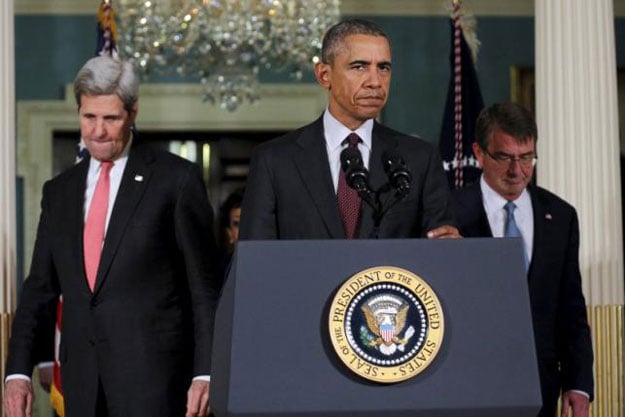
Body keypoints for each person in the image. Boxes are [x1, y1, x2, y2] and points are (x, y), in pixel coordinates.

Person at [4, 56, 220, 417]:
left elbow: (204, 289)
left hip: (157, 382)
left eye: (111, 118)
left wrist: (207, 372)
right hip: (82, 382)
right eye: (89, 117)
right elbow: (40, 288)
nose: (98, 131)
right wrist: (17, 373)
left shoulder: (175, 180)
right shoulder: (58, 192)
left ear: (133, 114)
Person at [239, 18, 458, 240]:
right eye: (359, 66)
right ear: (324, 75)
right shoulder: (274, 160)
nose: (375, 81)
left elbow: (439, 253)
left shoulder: (420, 158)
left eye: (383, 68)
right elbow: (256, 260)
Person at [451, 102, 594, 417]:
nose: (517, 170)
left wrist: (578, 382)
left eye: (526, 157)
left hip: (540, 386)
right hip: (465, 382)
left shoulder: (561, 215)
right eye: (504, 157)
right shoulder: (449, 214)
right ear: (479, 152)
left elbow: (571, 306)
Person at [218, 187, 244, 277]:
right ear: (229, 233)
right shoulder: (221, 272)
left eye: (248, 221)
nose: (243, 229)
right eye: (237, 224)